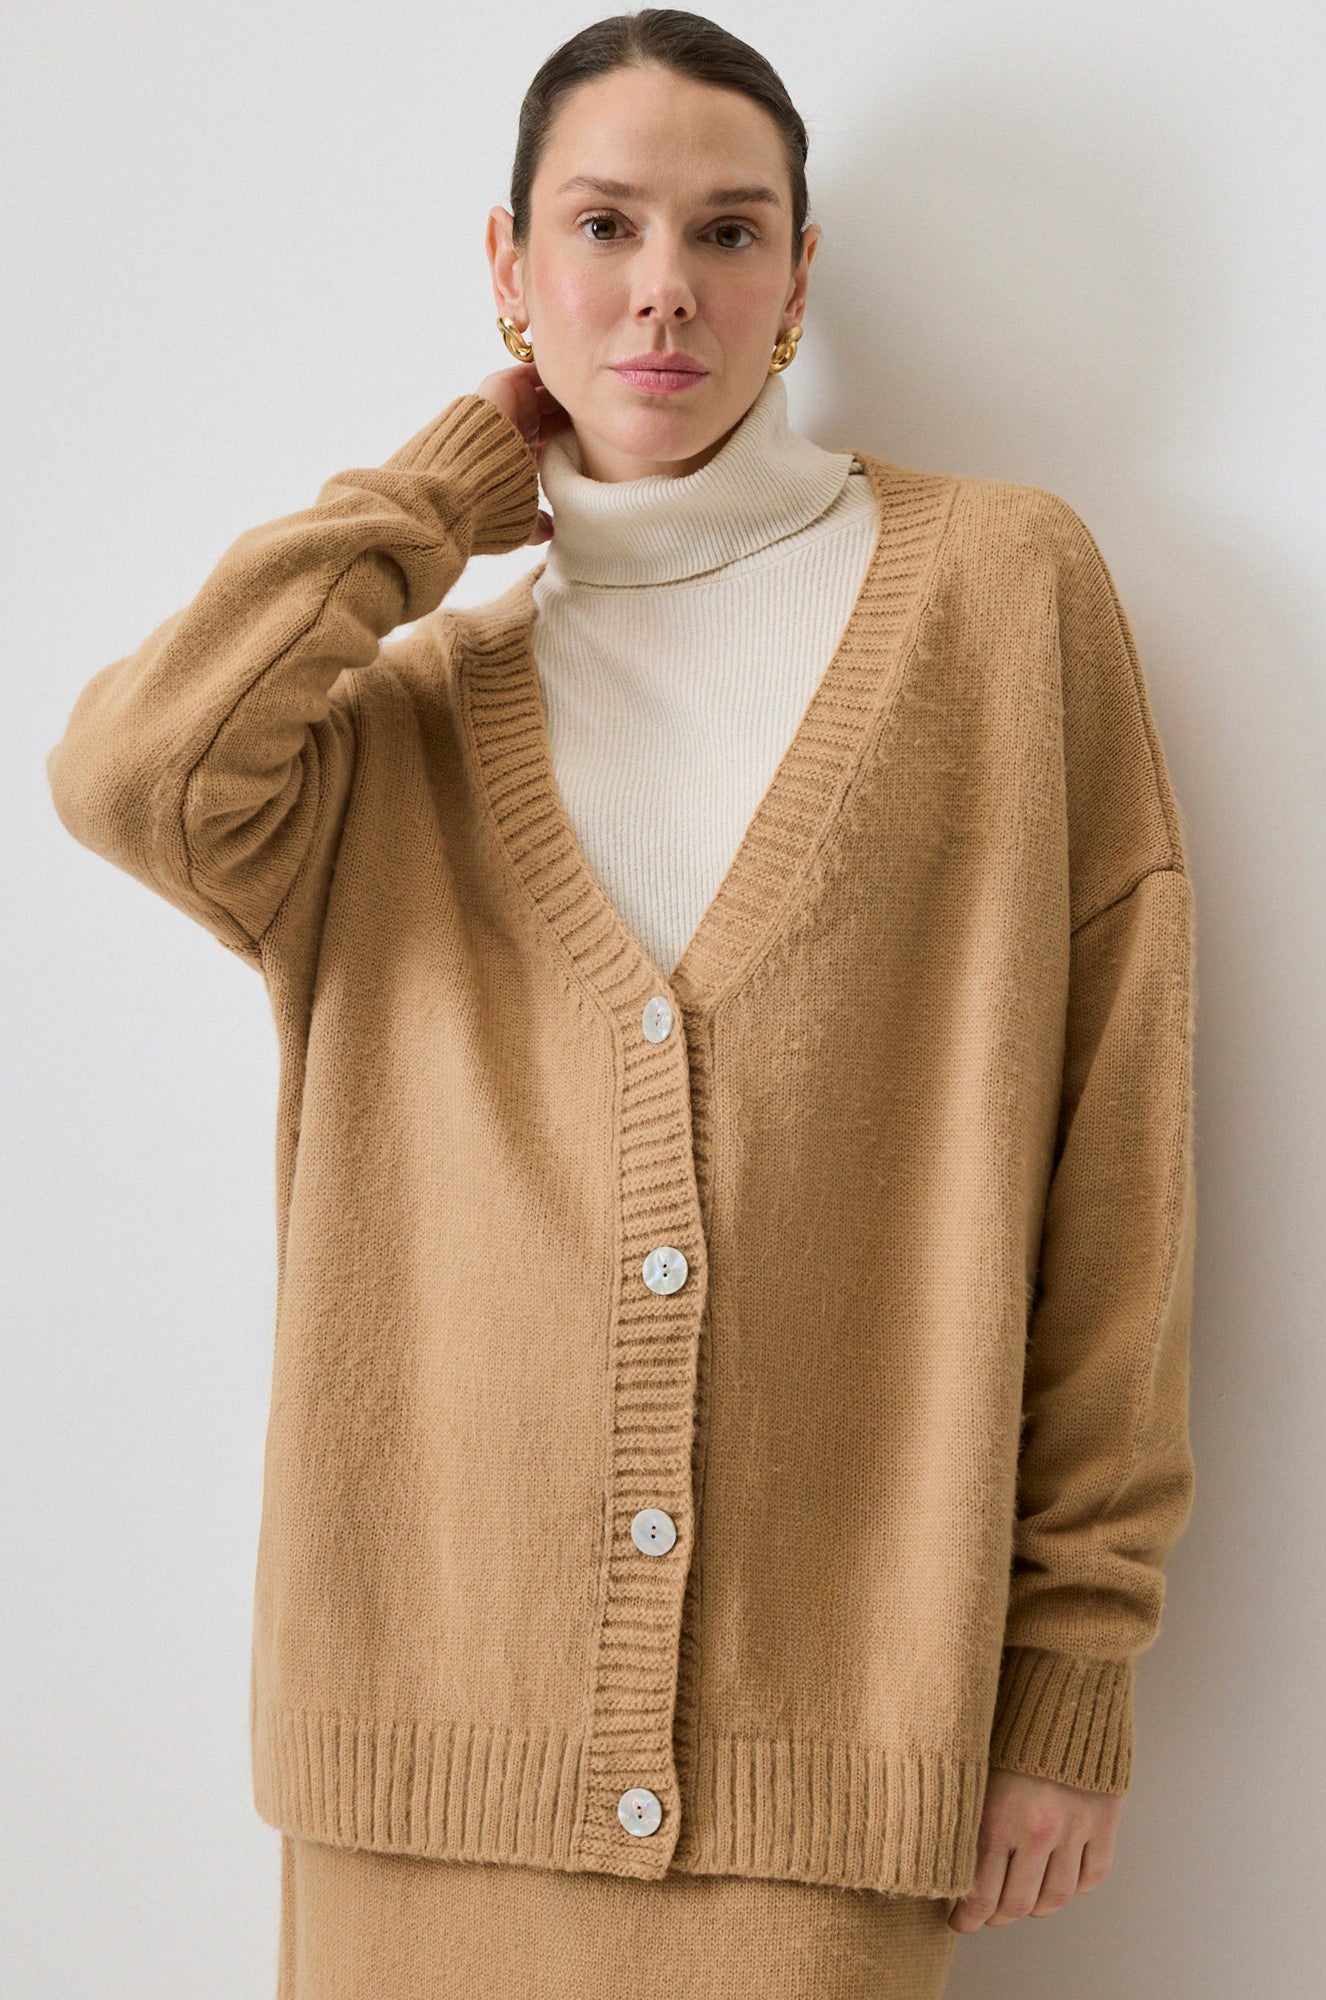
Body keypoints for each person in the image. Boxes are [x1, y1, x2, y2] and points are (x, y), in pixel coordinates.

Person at [45, 11, 1198, 1999]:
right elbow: (129, 777)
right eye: (602, 225)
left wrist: (1065, 1669)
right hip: (418, 1769)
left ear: (798, 275)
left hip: (823, 1761)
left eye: (728, 231)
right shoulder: (395, 729)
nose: (665, 287)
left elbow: (1117, 1165)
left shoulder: (1001, 598)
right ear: (508, 268)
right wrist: (440, 492)